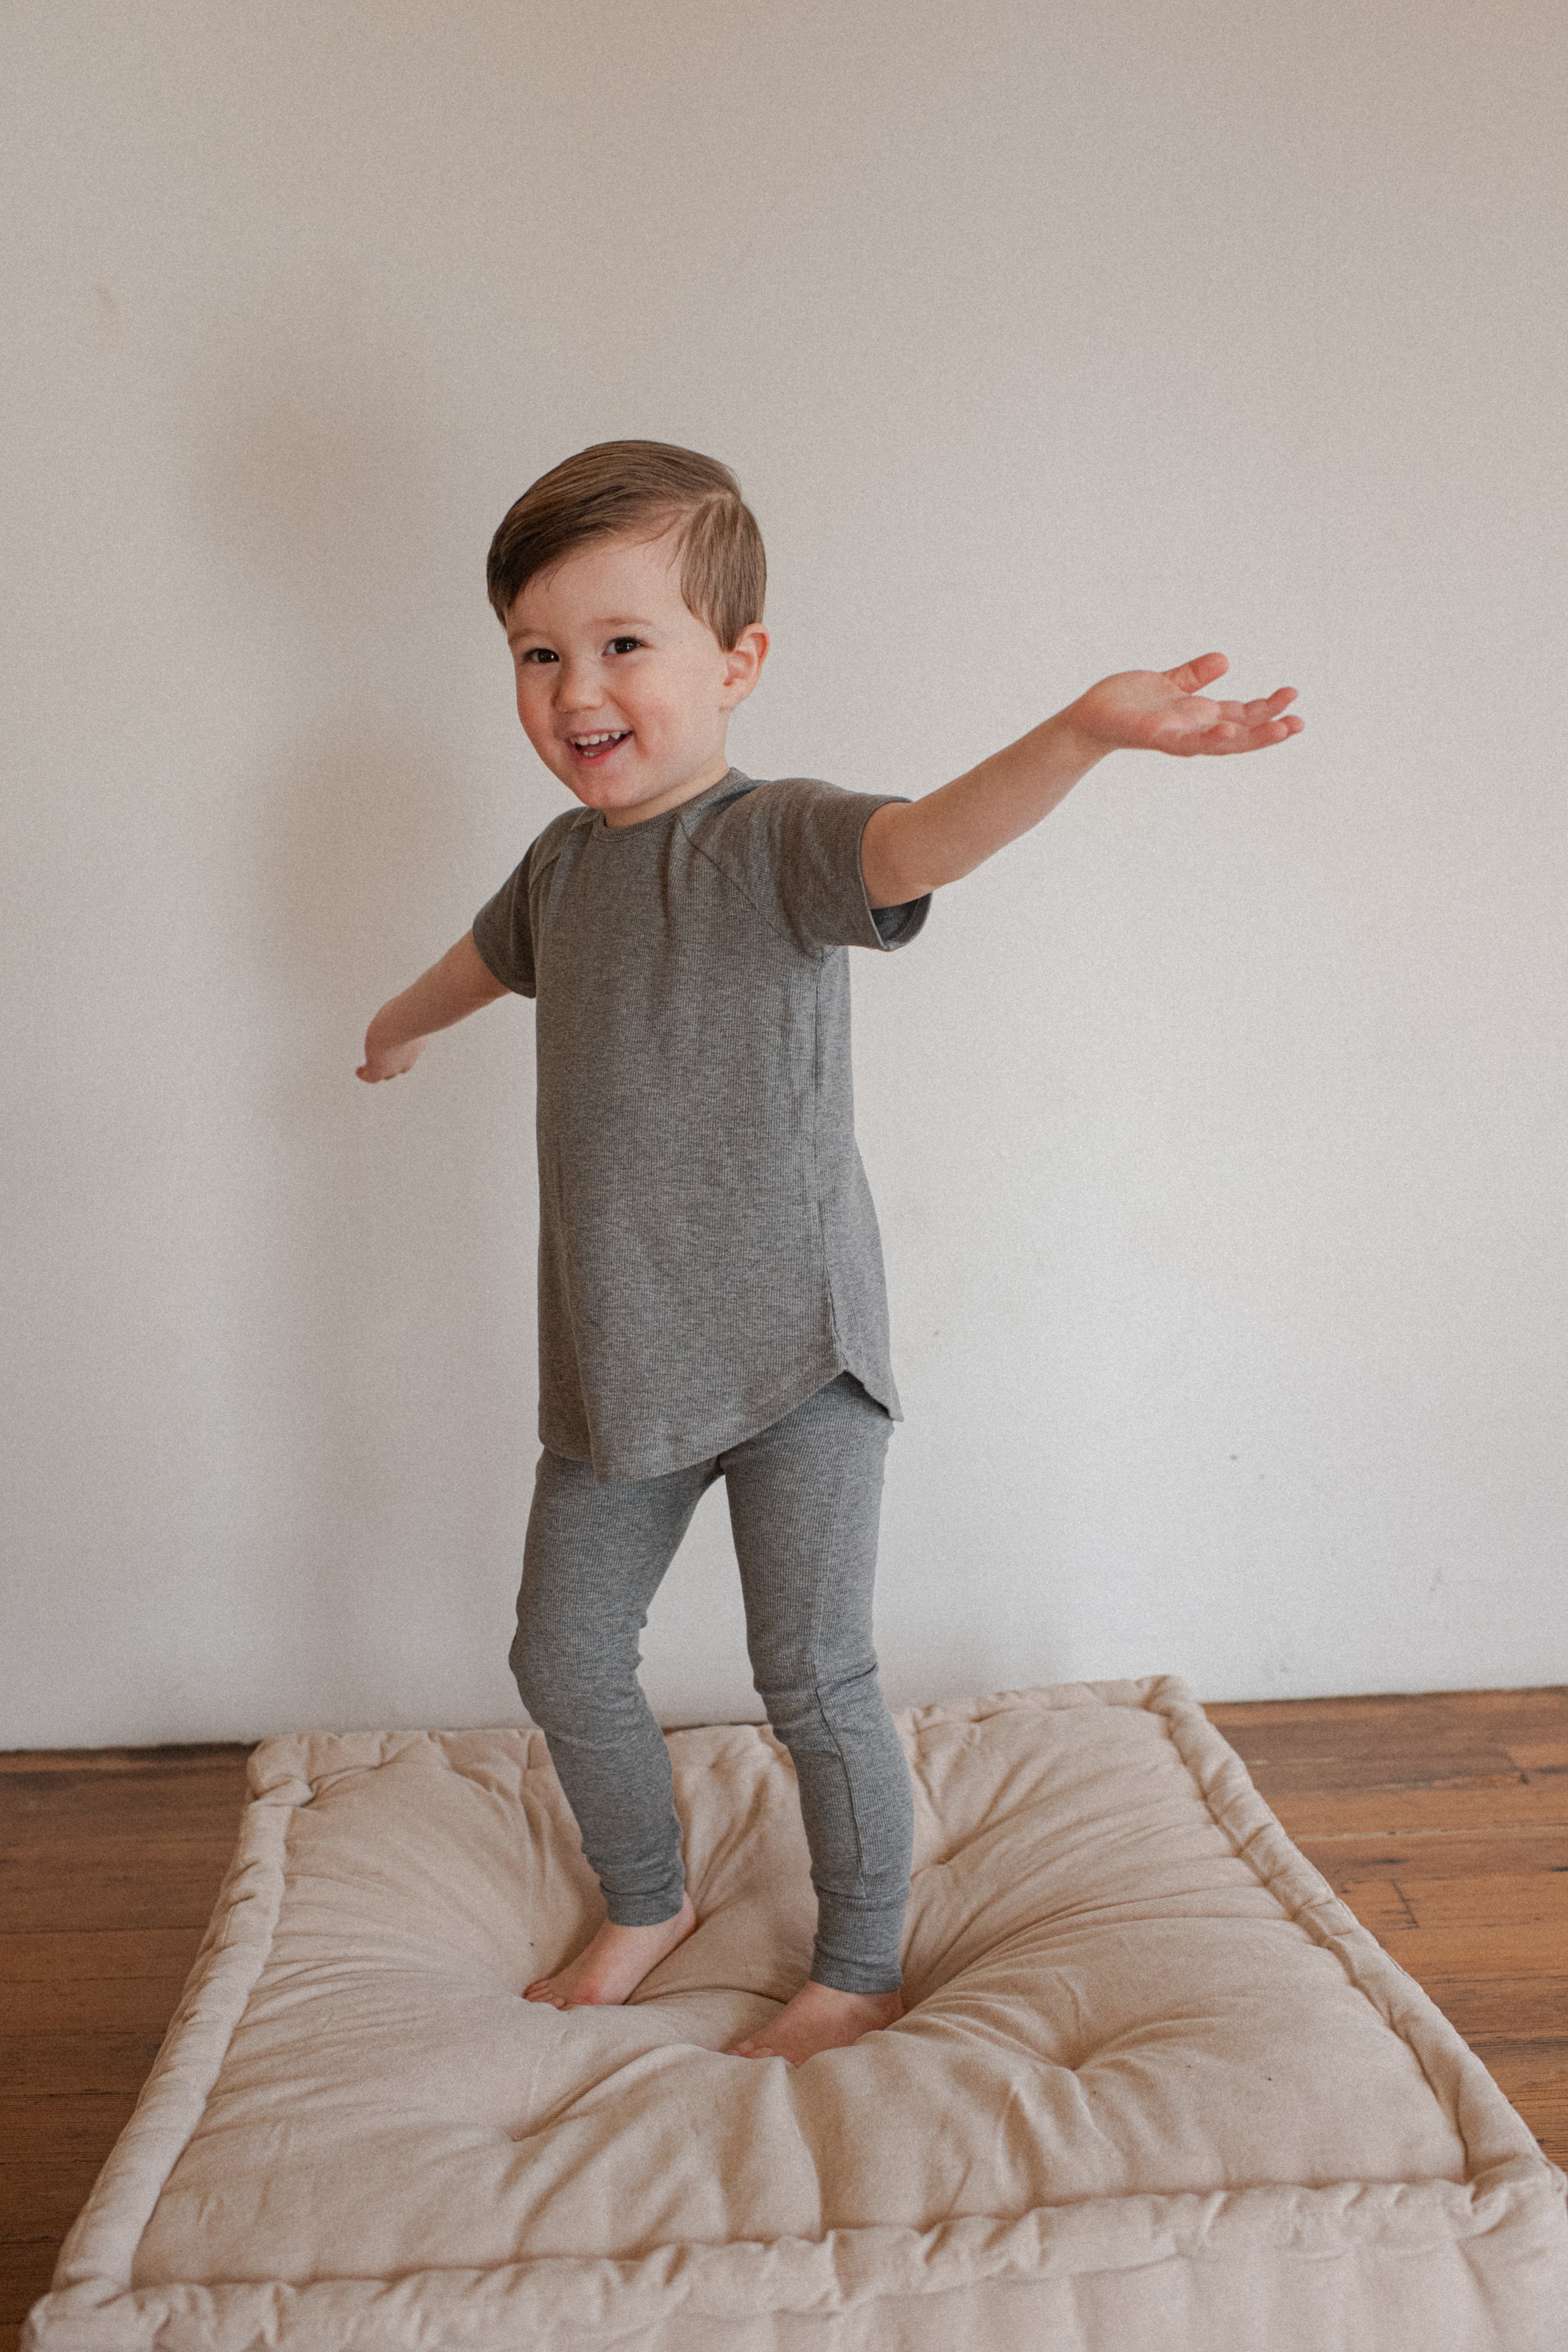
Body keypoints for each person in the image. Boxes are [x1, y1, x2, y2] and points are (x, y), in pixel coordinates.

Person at [357, 440, 1303, 2066]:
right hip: (620, 1364)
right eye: (537, 652)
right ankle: (646, 1894)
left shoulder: (774, 838)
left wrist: (1083, 732)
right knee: (561, 1651)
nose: (577, 688)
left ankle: (861, 1960)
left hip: (800, 1354)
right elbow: (483, 959)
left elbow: (927, 839)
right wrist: (400, 1020)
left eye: (624, 642)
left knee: (811, 1669)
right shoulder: (560, 869)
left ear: (738, 662)